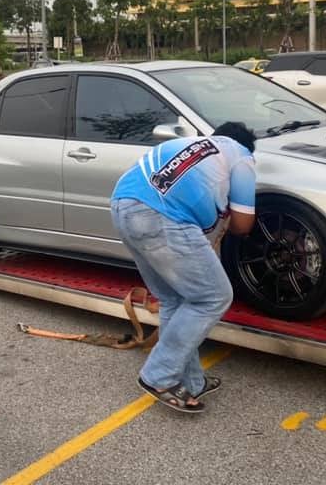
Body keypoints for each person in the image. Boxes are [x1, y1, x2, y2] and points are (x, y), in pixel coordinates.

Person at [110, 121, 257, 414]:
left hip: (121, 207)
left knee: (175, 299)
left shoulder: (189, 146)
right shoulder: (241, 156)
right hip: (162, 217)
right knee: (214, 296)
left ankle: (192, 381)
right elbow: (243, 224)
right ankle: (158, 375)